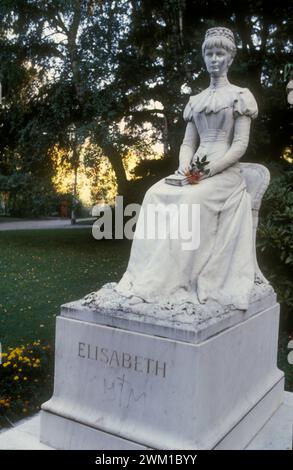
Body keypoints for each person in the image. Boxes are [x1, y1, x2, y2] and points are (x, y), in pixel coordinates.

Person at [115, 27, 258, 311]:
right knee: (154, 195)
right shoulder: (196, 101)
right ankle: (145, 276)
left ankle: (172, 280)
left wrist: (209, 170)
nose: (214, 59)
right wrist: (184, 168)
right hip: (193, 170)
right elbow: (187, 144)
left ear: (230, 58)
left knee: (191, 202)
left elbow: (239, 146)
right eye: (210, 53)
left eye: (220, 53)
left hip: (224, 174)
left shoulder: (240, 96)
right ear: (203, 57)